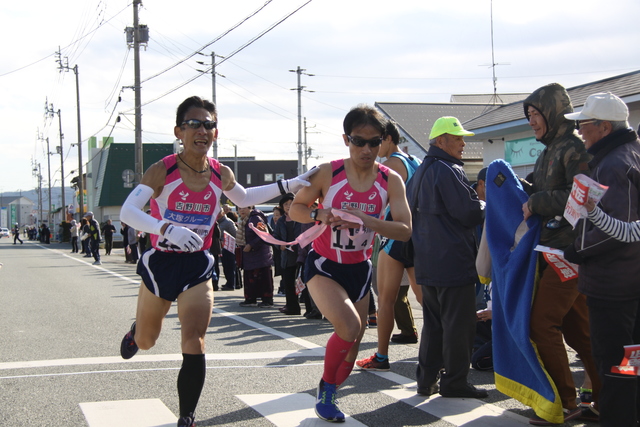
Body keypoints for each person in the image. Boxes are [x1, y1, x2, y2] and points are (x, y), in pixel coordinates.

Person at [118, 95, 316, 427]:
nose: (202, 130)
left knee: (194, 336)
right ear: (179, 131)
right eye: (194, 124)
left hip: (197, 264)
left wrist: (289, 184)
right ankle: (137, 331)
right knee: (147, 340)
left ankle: (187, 416)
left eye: (209, 124)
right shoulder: (162, 170)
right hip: (162, 263)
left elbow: (246, 197)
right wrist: (165, 227)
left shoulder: (218, 172)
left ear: (215, 132)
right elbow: (128, 212)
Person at [289, 104, 411, 422]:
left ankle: (330, 385)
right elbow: (295, 209)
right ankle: (327, 391)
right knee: (350, 327)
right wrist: (319, 213)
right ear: (347, 139)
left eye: (375, 142)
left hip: (359, 268)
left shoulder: (391, 180)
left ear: (384, 141)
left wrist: (366, 221)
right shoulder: (328, 172)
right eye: (359, 141)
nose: (367, 149)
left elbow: (405, 228)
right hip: (324, 264)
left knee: (352, 346)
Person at [520, 83, 600, 425]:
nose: (532, 122)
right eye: (529, 116)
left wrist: (534, 201)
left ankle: (567, 405)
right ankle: (605, 398)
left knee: (541, 325)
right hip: (553, 250)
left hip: (569, 251)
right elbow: (548, 190)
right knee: (579, 331)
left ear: (552, 112)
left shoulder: (573, 147)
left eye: (535, 114)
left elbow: (582, 198)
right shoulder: (550, 148)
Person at [562, 92, 640, 426]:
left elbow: (616, 230)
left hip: (613, 286)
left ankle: (618, 419)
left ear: (604, 127)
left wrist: (575, 249)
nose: (580, 130)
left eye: (584, 124)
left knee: (614, 363)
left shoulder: (612, 163)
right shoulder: (631, 154)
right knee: (630, 360)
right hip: (630, 284)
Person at [408, 116, 487, 399]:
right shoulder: (448, 169)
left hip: (427, 262)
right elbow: (467, 213)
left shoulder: (420, 172)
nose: (463, 143)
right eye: (457, 138)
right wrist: (483, 204)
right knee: (459, 325)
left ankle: (426, 381)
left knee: (434, 324)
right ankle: (454, 381)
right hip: (453, 260)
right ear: (441, 141)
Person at [356, 120, 422, 371]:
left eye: (377, 141)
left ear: (389, 139)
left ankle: (381, 357)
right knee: (425, 299)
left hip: (396, 236)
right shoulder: (414, 160)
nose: (373, 148)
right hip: (417, 236)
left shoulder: (391, 164)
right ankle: (441, 352)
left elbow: (376, 200)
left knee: (386, 299)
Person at [237, 206, 274, 307]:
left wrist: (251, 245)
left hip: (260, 254)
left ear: (251, 208)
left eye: (245, 208)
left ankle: (267, 300)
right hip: (248, 254)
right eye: (239, 208)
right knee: (249, 277)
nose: (242, 210)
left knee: (263, 277)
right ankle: (250, 299)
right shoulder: (244, 219)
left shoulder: (256, 218)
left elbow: (264, 234)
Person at [274, 193, 303, 315]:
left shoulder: (301, 217)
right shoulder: (281, 220)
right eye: (285, 204)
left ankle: (311, 309)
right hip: (287, 255)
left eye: (291, 203)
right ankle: (292, 307)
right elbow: (276, 237)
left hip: (301, 254)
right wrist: (279, 245)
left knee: (305, 282)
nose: (288, 206)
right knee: (288, 282)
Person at [217, 209, 237, 291]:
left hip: (229, 247)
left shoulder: (228, 222)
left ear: (223, 213)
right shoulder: (217, 222)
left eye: (218, 212)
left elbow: (235, 233)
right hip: (221, 248)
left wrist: (225, 239)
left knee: (230, 267)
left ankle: (231, 284)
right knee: (225, 266)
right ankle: (228, 282)